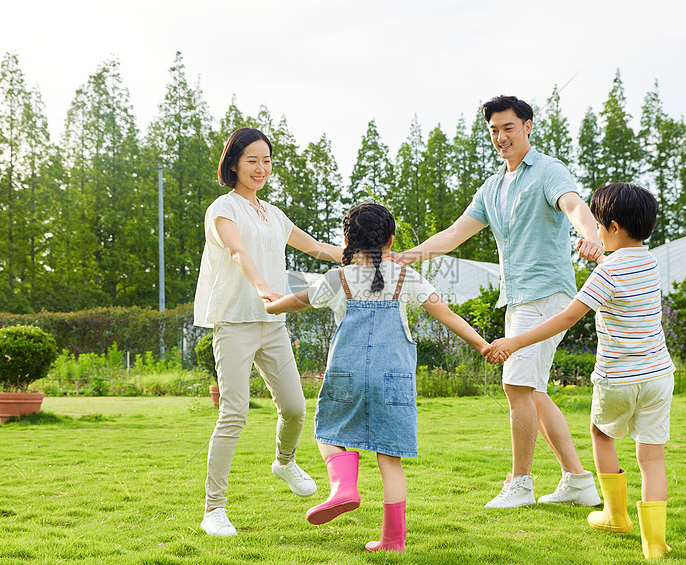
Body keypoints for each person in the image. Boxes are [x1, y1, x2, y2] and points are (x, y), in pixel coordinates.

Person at [393, 95, 602, 508]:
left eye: (508, 128)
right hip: (519, 297)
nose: (501, 137)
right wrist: (405, 256)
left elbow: (573, 204)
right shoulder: (492, 187)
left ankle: (520, 483)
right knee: (531, 390)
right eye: (493, 130)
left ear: (527, 126)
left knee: (515, 384)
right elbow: (454, 234)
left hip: (547, 290)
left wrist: (591, 234)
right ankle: (578, 481)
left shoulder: (547, 170)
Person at [265, 203, 494, 553]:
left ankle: (344, 487)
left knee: (328, 431)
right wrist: (482, 345)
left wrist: (270, 305)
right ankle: (393, 541)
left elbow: (297, 301)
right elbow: (445, 314)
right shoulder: (408, 278)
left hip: (347, 373)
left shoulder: (338, 279)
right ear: (390, 240)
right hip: (394, 378)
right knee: (389, 458)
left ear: (347, 241)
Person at [486, 183, 674, 560]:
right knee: (652, 459)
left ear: (615, 228)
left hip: (618, 378)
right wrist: (602, 259)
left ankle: (615, 515)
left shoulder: (605, 276)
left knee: (601, 435)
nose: (596, 232)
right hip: (658, 376)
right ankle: (654, 543)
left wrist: (515, 342)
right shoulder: (650, 262)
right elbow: (620, 266)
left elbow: (567, 317)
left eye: (599, 226)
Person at [193, 127, 345, 537]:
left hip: (272, 324)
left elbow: (316, 248)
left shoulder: (273, 214)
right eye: (252, 160)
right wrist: (263, 288)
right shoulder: (223, 209)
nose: (261, 168)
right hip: (236, 322)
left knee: (295, 408)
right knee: (234, 414)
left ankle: (284, 461)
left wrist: (364, 254)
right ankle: (214, 509)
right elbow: (238, 252)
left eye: (266, 161)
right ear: (234, 164)